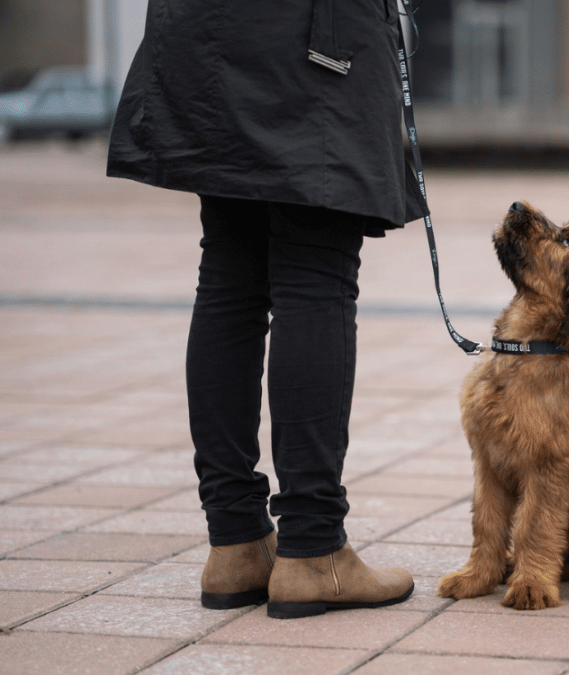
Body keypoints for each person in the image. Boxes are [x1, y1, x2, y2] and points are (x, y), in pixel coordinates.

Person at [107, 0, 424, 619]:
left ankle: (237, 544)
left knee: (230, 269)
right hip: (305, 35)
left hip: (202, 31)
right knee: (314, 268)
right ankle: (313, 550)